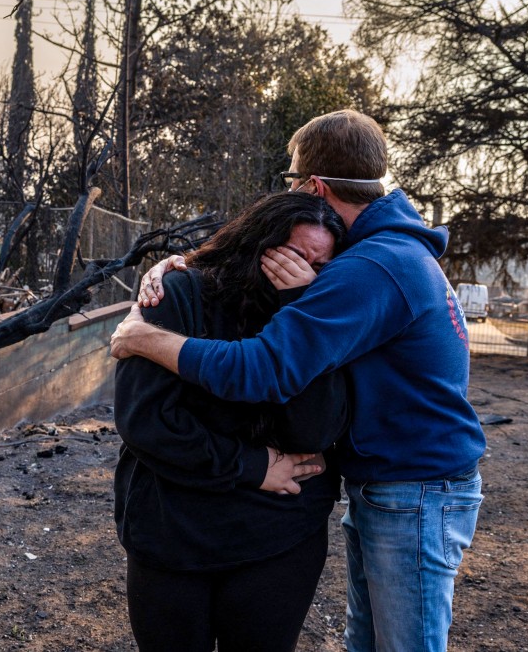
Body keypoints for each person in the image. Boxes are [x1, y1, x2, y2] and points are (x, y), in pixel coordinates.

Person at [111, 109, 486, 652]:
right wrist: (181, 266)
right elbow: (245, 252)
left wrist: (147, 339)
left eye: (292, 181)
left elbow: (265, 368)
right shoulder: (384, 251)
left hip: (415, 490)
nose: (306, 264)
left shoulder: (372, 266)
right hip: (399, 487)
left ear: (313, 185)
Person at [114, 192, 351, 652]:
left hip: (279, 535)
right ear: (256, 244)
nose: (304, 271)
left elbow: (315, 432)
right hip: (173, 531)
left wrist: (300, 308)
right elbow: (147, 421)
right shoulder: (177, 293)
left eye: (319, 266)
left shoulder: (319, 313)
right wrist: (251, 466)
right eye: (293, 256)